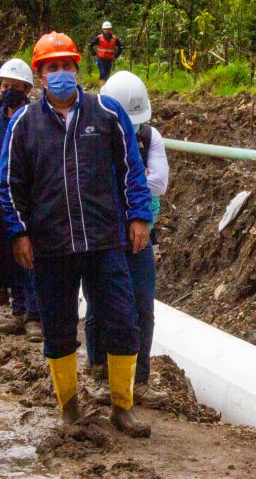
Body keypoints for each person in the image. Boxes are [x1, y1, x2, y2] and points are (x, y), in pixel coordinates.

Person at [0, 32, 153, 437]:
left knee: (122, 321)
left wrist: (138, 217)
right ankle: (69, 409)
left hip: (104, 241)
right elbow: (9, 184)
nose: (62, 73)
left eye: (68, 65)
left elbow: (132, 171)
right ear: (40, 74)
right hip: (52, 247)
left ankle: (123, 406)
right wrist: (19, 233)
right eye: (53, 68)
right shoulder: (23, 125)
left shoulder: (107, 114)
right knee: (59, 328)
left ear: (78, 68)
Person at [87, 71, 169, 407]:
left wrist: (127, 178)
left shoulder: (150, 137)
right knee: (99, 302)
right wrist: (135, 177)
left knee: (142, 304)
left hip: (139, 232)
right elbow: (93, 182)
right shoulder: (91, 133)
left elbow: (158, 183)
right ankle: (99, 371)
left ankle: (141, 379)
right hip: (102, 233)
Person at [0, 59, 42, 342]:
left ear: (26, 88)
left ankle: (35, 316)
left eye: (14, 86)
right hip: (5, 193)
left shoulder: (34, 118)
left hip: (28, 196)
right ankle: (19, 311)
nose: (8, 90)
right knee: (13, 254)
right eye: (5, 85)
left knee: (30, 254)